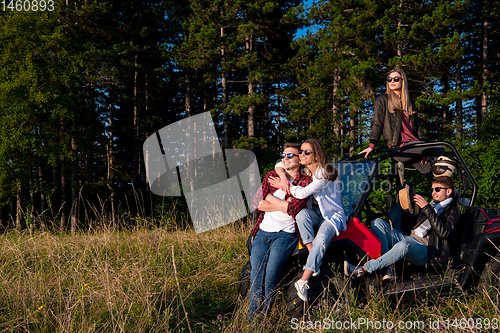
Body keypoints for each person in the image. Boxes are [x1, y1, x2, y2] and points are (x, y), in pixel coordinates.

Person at [269, 138, 345, 302]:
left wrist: (286, 186)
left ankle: (303, 280)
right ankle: (313, 255)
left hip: (331, 215)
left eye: (306, 152)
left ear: (316, 156)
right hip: (316, 214)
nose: (302, 154)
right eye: (301, 151)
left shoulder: (324, 172)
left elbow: (303, 193)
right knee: (301, 214)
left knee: (322, 238)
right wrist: (283, 176)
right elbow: (279, 163)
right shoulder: (307, 172)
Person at [344, 176, 462, 280]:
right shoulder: (432, 205)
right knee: (377, 222)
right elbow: (410, 226)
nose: (433, 193)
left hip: (427, 250)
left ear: (449, 191)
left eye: (437, 189)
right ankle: (390, 268)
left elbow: (444, 233)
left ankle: (363, 269)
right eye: (432, 190)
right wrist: (406, 209)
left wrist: (428, 209)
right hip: (411, 238)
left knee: (403, 245)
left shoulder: (453, 211)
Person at [248, 142, 312, 320]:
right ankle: (253, 320)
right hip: (262, 232)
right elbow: (256, 203)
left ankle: (265, 318)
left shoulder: (305, 182)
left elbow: (294, 209)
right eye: (283, 155)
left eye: (290, 155)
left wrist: (268, 198)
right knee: (256, 275)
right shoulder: (272, 175)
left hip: (285, 234)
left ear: (299, 159)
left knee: (270, 276)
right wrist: (280, 203)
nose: (285, 158)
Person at [359, 67, 440, 181]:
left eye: (396, 79)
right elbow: (377, 123)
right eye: (389, 79)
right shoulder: (382, 100)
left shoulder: (409, 102)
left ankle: (450, 196)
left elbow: (418, 128)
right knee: (439, 147)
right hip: (398, 148)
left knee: (438, 178)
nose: (392, 82)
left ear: (403, 81)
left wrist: (424, 147)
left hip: (415, 146)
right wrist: (371, 145)